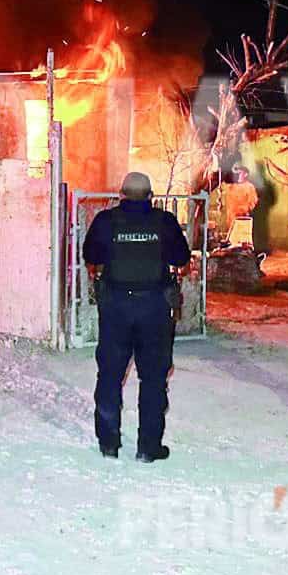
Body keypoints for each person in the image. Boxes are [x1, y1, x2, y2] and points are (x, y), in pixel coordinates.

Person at [82, 171, 192, 462]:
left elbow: (90, 254)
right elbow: (181, 258)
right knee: (154, 378)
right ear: (149, 195)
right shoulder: (164, 221)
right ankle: (148, 447)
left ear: (122, 194)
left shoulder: (107, 221)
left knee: (109, 375)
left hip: (116, 307)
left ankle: (108, 444)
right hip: (154, 308)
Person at [221, 163, 259, 248]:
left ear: (245, 174)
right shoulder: (232, 186)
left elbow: (253, 202)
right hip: (231, 218)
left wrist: (243, 210)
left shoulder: (249, 187)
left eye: (240, 173)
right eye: (237, 173)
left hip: (243, 219)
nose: (238, 175)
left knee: (242, 242)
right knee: (231, 241)